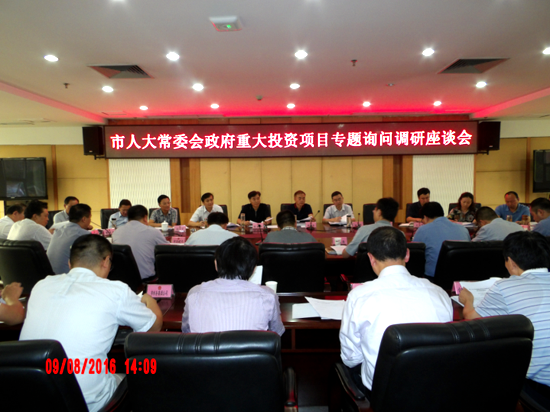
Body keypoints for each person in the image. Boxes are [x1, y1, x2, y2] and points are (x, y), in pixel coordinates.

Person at [20, 234, 162, 412]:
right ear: (106, 261)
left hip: (30, 396)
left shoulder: (41, 285)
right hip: (87, 403)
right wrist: (150, 301)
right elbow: (153, 327)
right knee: (139, 374)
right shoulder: (115, 290)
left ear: (70, 264)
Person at [340, 226, 452, 393]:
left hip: (384, 393)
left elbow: (351, 358)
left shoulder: (359, 296)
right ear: (407, 254)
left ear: (371, 258)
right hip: (434, 389)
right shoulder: (439, 293)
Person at [459, 231, 550, 387]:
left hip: (537, 383)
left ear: (512, 263)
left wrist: (468, 300)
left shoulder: (505, 286)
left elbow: (472, 319)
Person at [181, 237, 284, 336]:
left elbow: (186, 333)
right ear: (254, 268)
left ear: (216, 264)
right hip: (252, 349)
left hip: (205, 349)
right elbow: (276, 334)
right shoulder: (267, 296)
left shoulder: (195, 294)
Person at [412, 202, 470, 278]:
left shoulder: (423, 230)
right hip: (461, 276)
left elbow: (415, 255)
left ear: (425, 217)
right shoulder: (463, 229)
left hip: (433, 278)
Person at [112, 205, 169, 280]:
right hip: (146, 278)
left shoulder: (116, 232)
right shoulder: (153, 232)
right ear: (145, 218)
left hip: (121, 278)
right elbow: (167, 250)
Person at [47, 203, 92, 274]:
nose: (90, 220)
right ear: (83, 219)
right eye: (89, 217)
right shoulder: (83, 234)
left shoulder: (58, 230)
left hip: (50, 274)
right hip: (67, 276)